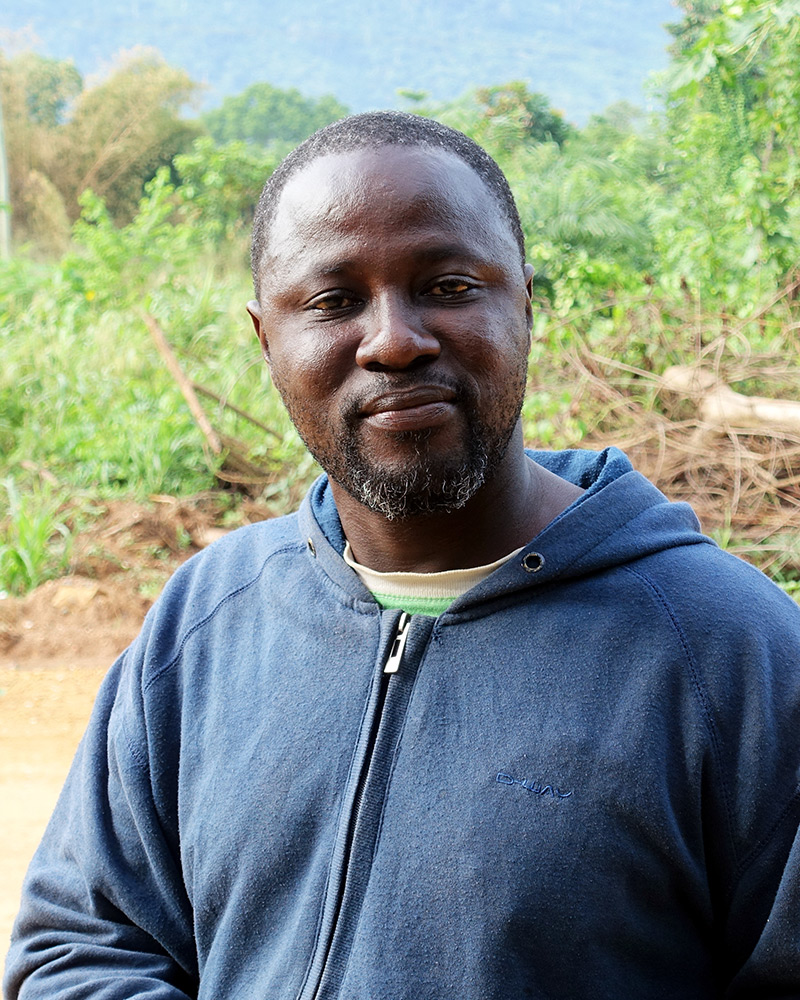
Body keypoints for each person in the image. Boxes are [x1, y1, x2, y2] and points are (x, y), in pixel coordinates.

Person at [5, 111, 800, 999]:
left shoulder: (735, 655)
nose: (392, 340)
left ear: (527, 304)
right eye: (334, 301)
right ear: (266, 338)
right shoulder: (205, 621)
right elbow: (79, 949)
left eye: (449, 285)